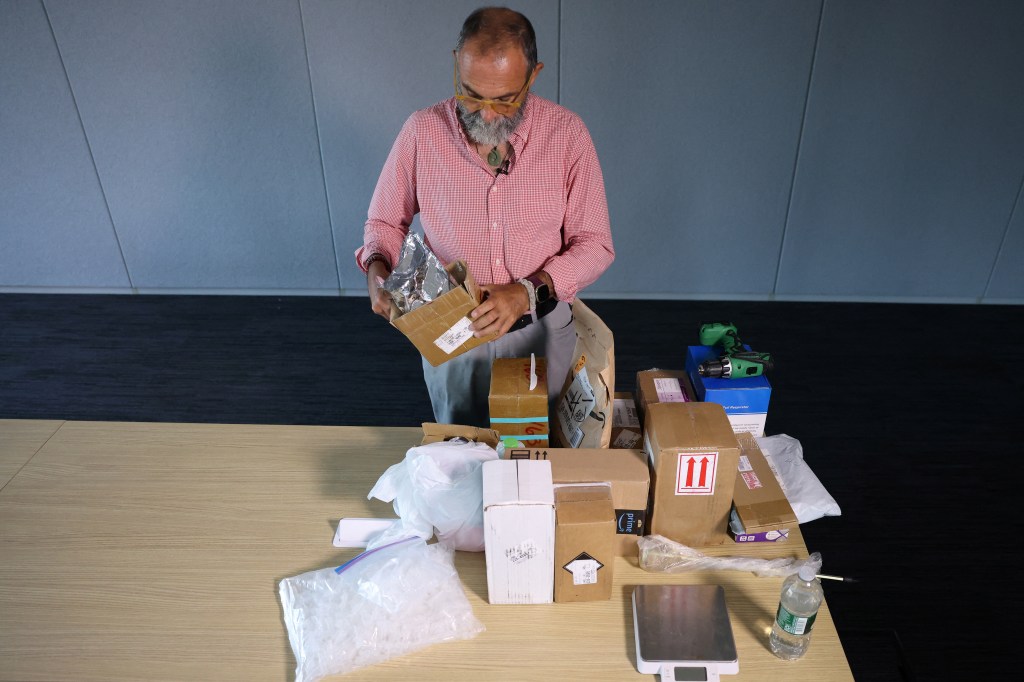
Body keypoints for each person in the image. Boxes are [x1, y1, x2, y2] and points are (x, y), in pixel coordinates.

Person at [356, 6, 614, 427]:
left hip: (542, 329)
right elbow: (384, 223)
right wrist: (376, 268)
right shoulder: (422, 131)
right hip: (452, 331)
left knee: (537, 452)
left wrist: (527, 291)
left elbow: (595, 244)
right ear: (457, 63)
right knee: (458, 445)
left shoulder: (568, 136)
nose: (487, 114)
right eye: (471, 94)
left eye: (504, 99)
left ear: (533, 75)